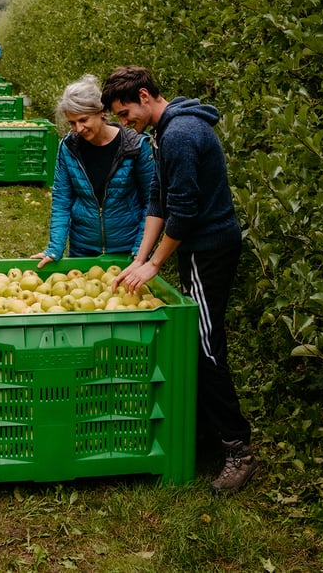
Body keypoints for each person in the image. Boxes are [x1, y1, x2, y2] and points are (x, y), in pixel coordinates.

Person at [102, 65, 258, 493]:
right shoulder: (162, 133)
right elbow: (159, 198)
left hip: (209, 251)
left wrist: (154, 265)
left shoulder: (181, 135)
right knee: (196, 342)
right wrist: (139, 259)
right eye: (117, 115)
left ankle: (237, 448)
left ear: (147, 96)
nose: (122, 122)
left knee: (206, 349)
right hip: (196, 249)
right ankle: (207, 432)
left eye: (124, 112)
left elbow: (185, 210)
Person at [32, 74, 154, 268]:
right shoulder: (68, 148)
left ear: (101, 112)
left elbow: (151, 201)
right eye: (72, 123)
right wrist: (55, 247)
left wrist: (140, 250)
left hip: (127, 251)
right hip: (83, 249)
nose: (78, 128)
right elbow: (62, 200)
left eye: (83, 120)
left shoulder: (135, 146)